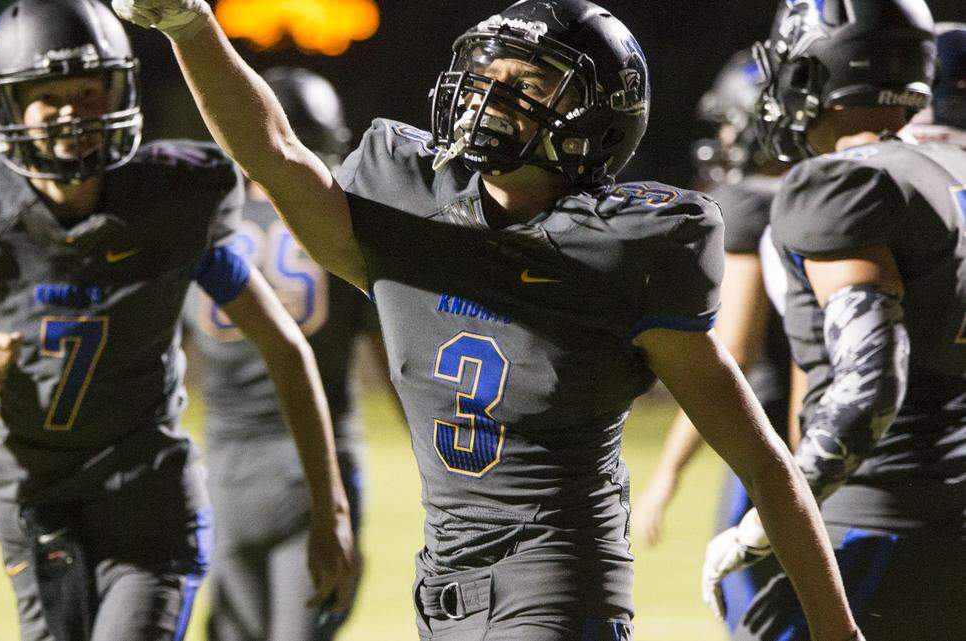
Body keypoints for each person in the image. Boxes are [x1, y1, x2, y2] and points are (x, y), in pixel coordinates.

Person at [114, 0, 865, 639]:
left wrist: (837, 628)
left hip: (557, 583)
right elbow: (275, 151)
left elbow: (762, 458)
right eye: (488, 75)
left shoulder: (622, 252)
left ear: (592, 121)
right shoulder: (408, 209)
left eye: (526, 83)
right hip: (442, 581)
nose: (489, 96)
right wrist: (189, 24)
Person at [0, 2, 357, 641]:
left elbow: (286, 348)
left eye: (89, 91)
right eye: (48, 97)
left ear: (119, 90)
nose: (73, 112)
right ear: (8, 106)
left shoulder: (172, 198)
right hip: (37, 505)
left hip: (148, 507)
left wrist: (330, 509)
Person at [703, 2, 966, 640]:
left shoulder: (841, 184)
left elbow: (868, 382)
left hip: (882, 529)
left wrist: (766, 523)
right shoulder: (949, 172)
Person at [182, 67, 382, 641]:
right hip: (317, 470)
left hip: (225, 472)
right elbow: (396, 364)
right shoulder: (343, 232)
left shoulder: (207, 231)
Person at [633, 49, 795, 633]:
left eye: (731, 120)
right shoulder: (837, 191)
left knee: (756, 613)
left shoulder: (752, 204)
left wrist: (668, 473)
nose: (725, 136)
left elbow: (732, 356)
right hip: (849, 432)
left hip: (774, 437)